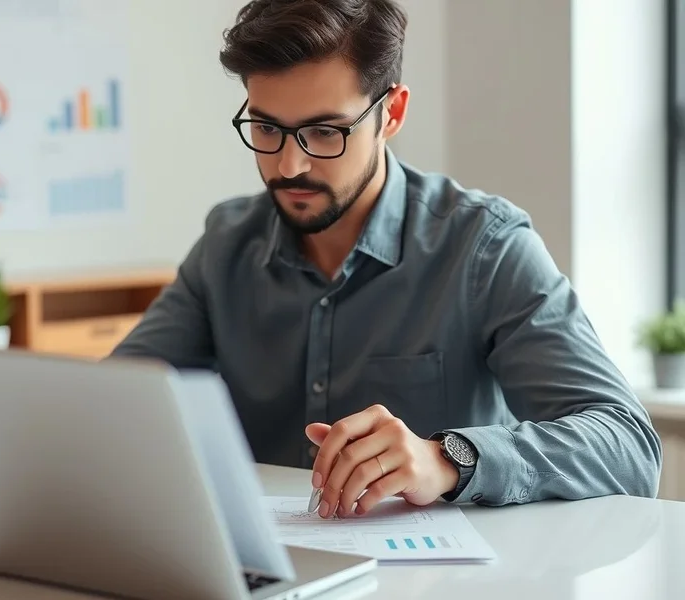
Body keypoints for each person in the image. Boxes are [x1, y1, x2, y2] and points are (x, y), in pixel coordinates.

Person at [110, 0, 662, 517]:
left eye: (325, 132)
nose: (290, 166)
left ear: (391, 113)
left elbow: (629, 445)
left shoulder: (484, 247)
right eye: (267, 128)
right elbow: (108, 404)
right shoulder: (226, 244)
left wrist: (447, 458)